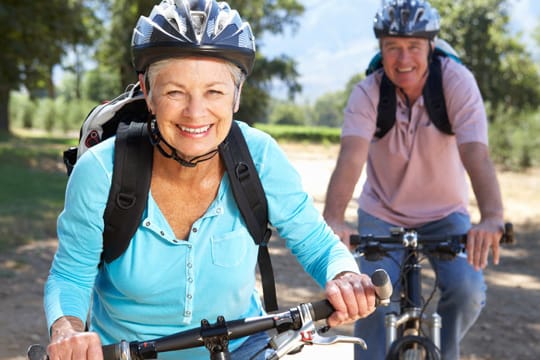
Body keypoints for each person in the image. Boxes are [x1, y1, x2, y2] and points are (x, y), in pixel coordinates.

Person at [43, 1, 377, 359]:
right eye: (175, 92)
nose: (195, 112)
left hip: (242, 346)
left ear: (237, 95)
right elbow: (71, 275)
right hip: (129, 353)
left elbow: (317, 242)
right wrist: (67, 329)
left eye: (214, 92)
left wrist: (345, 276)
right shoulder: (102, 170)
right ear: (148, 91)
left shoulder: (259, 156)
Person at [322, 1, 505, 359]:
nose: (403, 58)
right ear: (381, 49)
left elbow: (476, 154)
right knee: (369, 296)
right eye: (392, 47)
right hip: (382, 215)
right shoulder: (369, 92)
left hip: (446, 215)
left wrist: (493, 217)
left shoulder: (456, 83)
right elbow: (351, 156)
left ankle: (443, 352)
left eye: (413, 47)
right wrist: (333, 217)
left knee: (467, 290)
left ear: (430, 47)